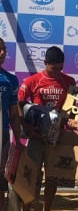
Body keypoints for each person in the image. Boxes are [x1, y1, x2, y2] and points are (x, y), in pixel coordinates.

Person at [8, 46, 76, 211]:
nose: (57, 72)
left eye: (60, 68)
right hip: (36, 138)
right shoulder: (32, 81)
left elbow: (73, 108)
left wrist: (72, 120)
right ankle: (27, 207)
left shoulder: (70, 81)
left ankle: (47, 208)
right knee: (31, 175)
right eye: (54, 68)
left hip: (57, 137)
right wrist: (26, 125)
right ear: (45, 63)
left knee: (53, 175)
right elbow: (17, 104)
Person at [0, 38, 22, 211]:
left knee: (1, 179)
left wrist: (18, 141)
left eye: (4, 49)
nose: (2, 53)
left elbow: (14, 113)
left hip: (3, 135)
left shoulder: (10, 80)